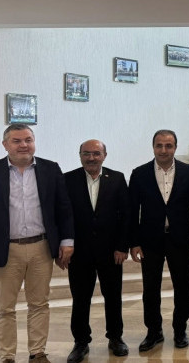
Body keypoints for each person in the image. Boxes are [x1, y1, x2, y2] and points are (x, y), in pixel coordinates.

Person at [0, 124, 74, 363]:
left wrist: (67, 240)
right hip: (6, 249)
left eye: (28, 140)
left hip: (41, 247)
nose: (24, 145)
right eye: (17, 141)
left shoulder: (50, 169)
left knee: (39, 303)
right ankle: (7, 356)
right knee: (4, 307)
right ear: (5, 144)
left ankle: (37, 352)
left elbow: (63, 208)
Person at [128, 130, 189, 352]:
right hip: (150, 240)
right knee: (150, 289)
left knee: (182, 287)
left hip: (180, 239)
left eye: (168, 146)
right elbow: (132, 211)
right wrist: (134, 242)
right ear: (153, 147)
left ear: (175, 147)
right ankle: (154, 332)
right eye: (159, 145)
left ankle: (180, 330)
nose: (164, 150)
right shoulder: (139, 174)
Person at [64, 140, 130, 362]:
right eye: (86, 154)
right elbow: (63, 215)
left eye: (96, 153)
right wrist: (64, 245)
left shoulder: (117, 178)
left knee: (113, 296)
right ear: (80, 155)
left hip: (111, 252)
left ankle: (116, 338)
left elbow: (126, 215)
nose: (91, 158)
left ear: (104, 155)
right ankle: (81, 342)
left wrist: (122, 246)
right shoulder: (67, 179)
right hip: (79, 252)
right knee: (80, 299)